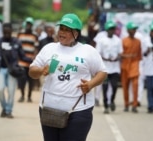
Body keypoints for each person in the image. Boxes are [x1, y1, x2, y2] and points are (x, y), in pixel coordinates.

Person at [28, 13, 107, 141]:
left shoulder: (88, 51)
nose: (62, 33)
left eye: (67, 30)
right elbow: (32, 71)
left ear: (76, 33)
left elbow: (102, 72)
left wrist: (90, 84)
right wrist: (41, 70)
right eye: (61, 29)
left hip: (79, 110)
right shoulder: (49, 49)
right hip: (49, 109)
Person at [0, 23, 32, 118]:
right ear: (3, 32)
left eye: (8, 32)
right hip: (1, 69)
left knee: (11, 91)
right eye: (5, 32)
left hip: (12, 70)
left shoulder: (16, 42)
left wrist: (33, 60)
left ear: (11, 32)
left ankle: (8, 111)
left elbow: (22, 56)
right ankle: (4, 107)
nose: (6, 33)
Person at [95, 20, 123, 114]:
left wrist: (116, 58)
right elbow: (98, 54)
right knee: (105, 87)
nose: (112, 31)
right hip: (105, 69)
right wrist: (105, 59)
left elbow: (120, 53)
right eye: (110, 29)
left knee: (115, 86)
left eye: (113, 29)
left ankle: (112, 100)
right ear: (107, 30)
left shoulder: (118, 40)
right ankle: (106, 104)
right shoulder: (101, 41)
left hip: (115, 68)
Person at [121, 22, 142, 113]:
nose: (134, 31)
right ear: (128, 30)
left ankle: (134, 105)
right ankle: (126, 104)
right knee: (125, 86)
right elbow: (120, 53)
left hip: (134, 64)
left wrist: (135, 61)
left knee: (135, 85)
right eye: (132, 29)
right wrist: (126, 56)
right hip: (125, 65)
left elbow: (139, 55)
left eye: (135, 29)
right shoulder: (123, 41)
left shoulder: (138, 41)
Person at [17, 17, 39, 102]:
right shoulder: (20, 34)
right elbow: (17, 46)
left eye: (30, 24)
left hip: (31, 62)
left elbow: (36, 47)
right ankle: (22, 95)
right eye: (27, 24)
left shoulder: (35, 35)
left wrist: (35, 57)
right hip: (22, 62)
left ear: (32, 25)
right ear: (25, 24)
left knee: (31, 80)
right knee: (22, 80)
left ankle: (29, 96)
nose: (28, 26)